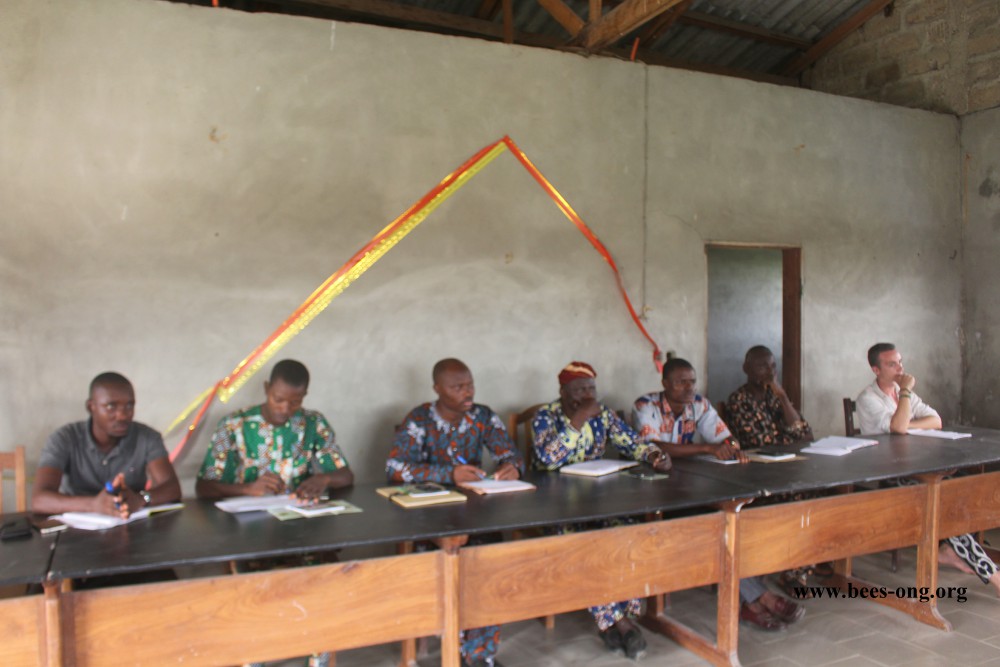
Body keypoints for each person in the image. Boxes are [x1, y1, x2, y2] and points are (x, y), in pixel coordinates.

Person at [633, 358, 804, 631]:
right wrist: (707, 450)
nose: (689, 388)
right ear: (665, 384)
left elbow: (724, 437)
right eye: (681, 382)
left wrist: (730, 446)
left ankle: (751, 602)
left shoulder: (698, 404)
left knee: (728, 520)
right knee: (713, 526)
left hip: (687, 483)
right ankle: (760, 598)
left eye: (692, 381)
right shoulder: (646, 405)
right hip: (653, 488)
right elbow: (653, 446)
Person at [386, 358, 523, 667]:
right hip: (427, 520)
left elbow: (510, 452)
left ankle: (478, 654)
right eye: (457, 387)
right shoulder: (419, 419)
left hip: (476, 513)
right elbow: (394, 468)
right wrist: (450, 474)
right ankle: (469, 649)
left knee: (490, 564)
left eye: (470, 384)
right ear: (437, 389)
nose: (467, 392)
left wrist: (510, 466)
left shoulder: (482, 416)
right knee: (454, 564)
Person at [531, 361, 668, 660]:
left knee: (629, 534)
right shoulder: (545, 415)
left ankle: (616, 622)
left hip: (600, 498)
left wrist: (654, 454)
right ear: (563, 391)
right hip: (555, 505)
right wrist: (578, 419)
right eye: (580, 389)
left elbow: (632, 442)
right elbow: (548, 458)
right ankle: (620, 622)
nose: (588, 394)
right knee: (586, 546)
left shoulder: (603, 413)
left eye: (591, 388)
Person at [856, 343, 1000, 595]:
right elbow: (899, 428)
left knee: (966, 487)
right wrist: (907, 396)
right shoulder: (868, 398)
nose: (900, 368)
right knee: (942, 504)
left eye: (900, 361)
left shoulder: (904, 393)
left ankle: (950, 547)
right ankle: (993, 574)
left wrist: (910, 416)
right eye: (892, 364)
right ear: (875, 369)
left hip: (920, 467)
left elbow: (936, 420)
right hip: (892, 475)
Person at [196, 359, 353, 500]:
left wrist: (324, 479)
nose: (285, 409)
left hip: (297, 517)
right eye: (278, 399)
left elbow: (346, 476)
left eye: (295, 402)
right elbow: (204, 488)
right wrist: (247, 489)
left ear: (304, 395)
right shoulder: (233, 424)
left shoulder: (313, 423)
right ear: (266, 388)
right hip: (244, 521)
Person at [32, 372, 181, 517]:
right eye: (111, 406)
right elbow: (39, 500)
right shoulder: (65, 438)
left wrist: (140, 499)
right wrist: (93, 505)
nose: (122, 415)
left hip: (130, 527)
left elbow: (172, 488)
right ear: (91, 407)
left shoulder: (147, 437)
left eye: (129, 406)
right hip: (76, 531)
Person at [726, 346, 812, 449]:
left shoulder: (775, 395)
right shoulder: (739, 400)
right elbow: (759, 442)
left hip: (786, 455)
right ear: (746, 368)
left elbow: (803, 431)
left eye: (773, 366)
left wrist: (783, 397)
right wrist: (798, 441)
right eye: (762, 367)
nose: (770, 373)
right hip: (757, 461)